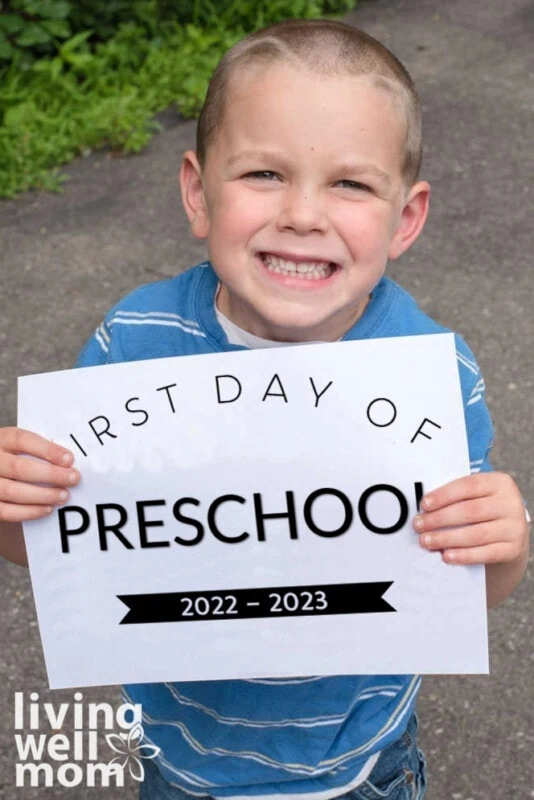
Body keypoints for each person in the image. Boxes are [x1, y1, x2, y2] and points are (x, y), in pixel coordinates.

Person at [0, 18, 529, 800]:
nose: (303, 215)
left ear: (405, 219)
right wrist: (17, 509)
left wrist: (506, 543)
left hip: (364, 763)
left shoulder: (431, 371)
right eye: (263, 175)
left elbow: (463, 584)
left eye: (350, 183)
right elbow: (58, 556)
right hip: (181, 759)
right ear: (197, 191)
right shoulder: (132, 345)